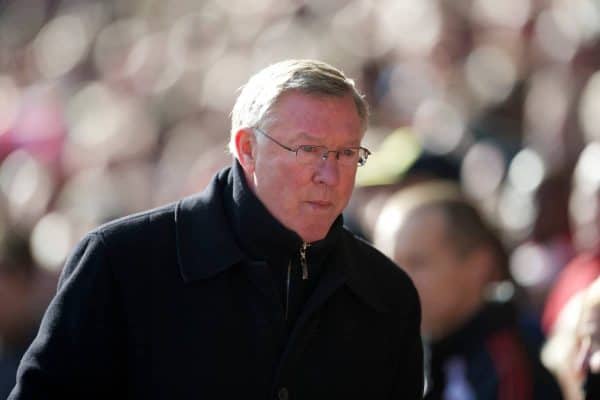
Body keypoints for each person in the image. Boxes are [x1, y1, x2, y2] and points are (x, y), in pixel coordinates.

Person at [8, 59, 423, 399]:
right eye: (308, 150)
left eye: (347, 153)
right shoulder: (122, 263)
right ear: (247, 149)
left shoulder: (385, 294)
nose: (329, 174)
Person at [373, 181, 562, 399]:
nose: (397, 280)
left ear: (478, 266)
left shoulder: (509, 363)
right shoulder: (401, 352)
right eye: (389, 264)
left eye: (417, 263)